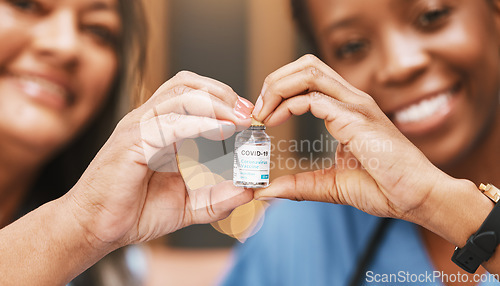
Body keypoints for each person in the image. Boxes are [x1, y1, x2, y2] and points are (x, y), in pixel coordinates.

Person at [222, 0, 500, 285]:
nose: (400, 66)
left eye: (431, 16)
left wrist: (443, 205)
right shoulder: (296, 239)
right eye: (352, 46)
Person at [0, 0, 254, 285]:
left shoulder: (97, 261)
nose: (65, 45)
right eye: (24, 5)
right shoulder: (77, 230)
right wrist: (78, 225)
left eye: (98, 30)